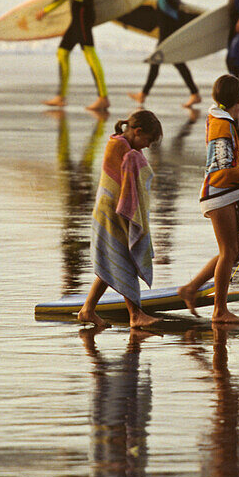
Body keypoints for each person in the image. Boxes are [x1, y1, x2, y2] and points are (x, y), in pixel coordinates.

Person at [178, 75, 239, 325]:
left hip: (222, 193)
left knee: (235, 251)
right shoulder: (221, 125)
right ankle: (220, 310)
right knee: (228, 252)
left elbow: (228, 161)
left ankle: (191, 288)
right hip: (217, 194)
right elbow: (222, 171)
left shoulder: (221, 121)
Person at [77, 110, 164, 328]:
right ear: (137, 131)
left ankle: (87, 309)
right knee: (124, 260)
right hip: (111, 213)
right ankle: (135, 315)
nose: (146, 147)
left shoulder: (125, 147)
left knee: (112, 260)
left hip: (111, 211)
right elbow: (124, 183)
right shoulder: (121, 147)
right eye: (147, 141)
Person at [37, 0, 110, 112]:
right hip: (83, 13)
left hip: (82, 15)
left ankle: (103, 98)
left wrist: (45, 11)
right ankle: (61, 97)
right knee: (62, 52)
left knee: (90, 54)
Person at [128, 0, 202, 109]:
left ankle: (143, 94)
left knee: (157, 60)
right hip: (167, 27)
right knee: (175, 61)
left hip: (168, 28)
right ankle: (194, 93)